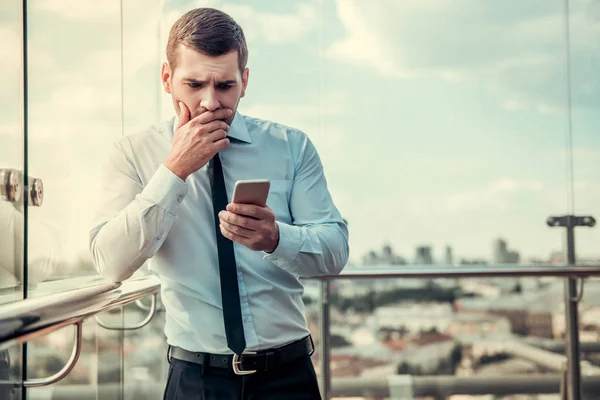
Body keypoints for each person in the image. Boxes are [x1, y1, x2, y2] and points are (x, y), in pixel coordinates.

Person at [89, 7, 348, 400]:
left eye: (225, 86)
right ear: (167, 79)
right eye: (194, 84)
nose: (210, 102)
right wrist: (175, 169)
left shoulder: (290, 147)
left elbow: (335, 252)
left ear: (244, 81)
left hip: (289, 375)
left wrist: (276, 238)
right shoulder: (133, 154)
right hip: (196, 380)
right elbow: (110, 263)